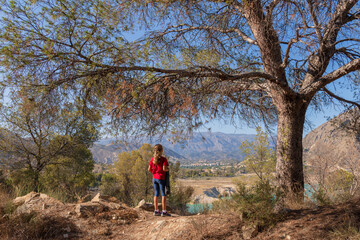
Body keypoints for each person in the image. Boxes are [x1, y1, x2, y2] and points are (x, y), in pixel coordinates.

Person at [148, 144, 171, 217]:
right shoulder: (163, 159)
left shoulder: (152, 159)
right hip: (161, 178)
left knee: (156, 194)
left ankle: (156, 210)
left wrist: (155, 172)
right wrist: (168, 169)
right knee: (163, 194)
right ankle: (164, 211)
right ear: (161, 150)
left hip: (154, 178)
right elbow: (164, 169)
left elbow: (149, 169)